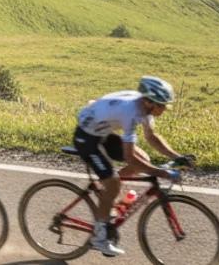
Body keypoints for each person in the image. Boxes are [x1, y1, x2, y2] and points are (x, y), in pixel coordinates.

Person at [75, 77, 191, 257]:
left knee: (143, 158)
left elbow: (151, 138)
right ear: (148, 101)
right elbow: (130, 158)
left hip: (102, 131)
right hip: (87, 137)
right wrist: (162, 172)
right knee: (114, 182)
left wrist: (177, 157)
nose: (164, 109)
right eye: (161, 105)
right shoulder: (131, 112)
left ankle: (106, 196)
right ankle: (98, 239)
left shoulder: (144, 109)